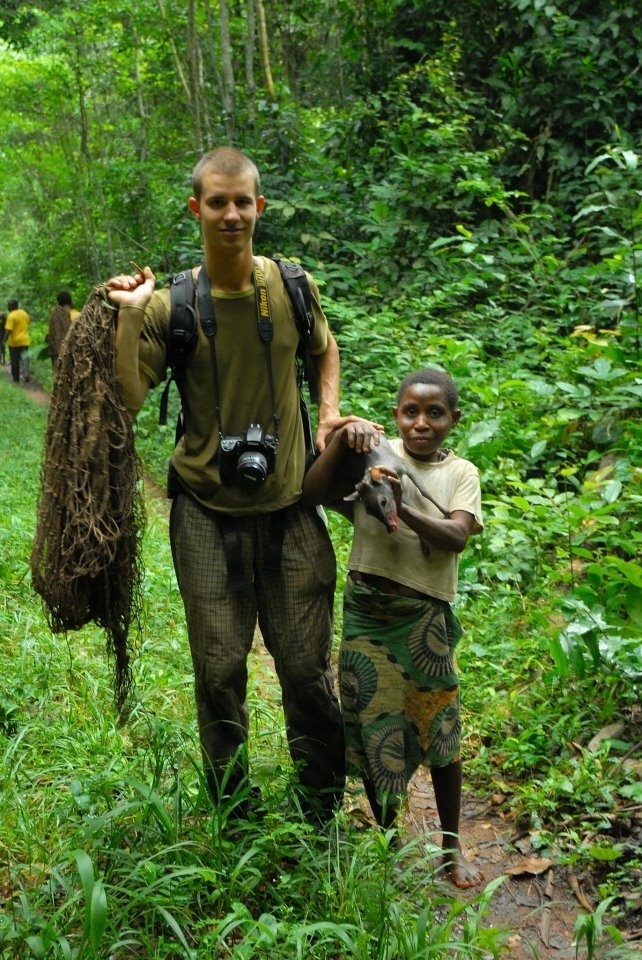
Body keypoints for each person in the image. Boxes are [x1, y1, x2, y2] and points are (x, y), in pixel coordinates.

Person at [106, 146, 367, 825]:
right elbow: (130, 399)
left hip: (290, 509)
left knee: (308, 671)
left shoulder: (290, 286)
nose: (230, 214)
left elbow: (324, 349)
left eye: (241, 202)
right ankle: (233, 811)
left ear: (259, 206)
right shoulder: (175, 304)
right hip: (203, 513)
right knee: (218, 672)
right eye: (216, 203)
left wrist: (329, 411)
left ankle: (320, 810)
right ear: (196, 208)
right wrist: (132, 313)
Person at [301, 367, 485, 887]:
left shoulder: (461, 473)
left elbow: (455, 535)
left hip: (424, 620)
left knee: (441, 733)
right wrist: (341, 442)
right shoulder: (373, 456)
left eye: (434, 413)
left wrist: (402, 503)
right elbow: (312, 492)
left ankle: (451, 847)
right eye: (410, 412)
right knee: (375, 729)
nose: (420, 423)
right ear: (396, 415)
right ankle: (388, 840)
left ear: (453, 419)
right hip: (367, 612)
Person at [47, 291, 80, 367]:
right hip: (71, 354)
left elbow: (49, 335)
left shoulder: (54, 315)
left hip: (57, 355)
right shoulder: (77, 315)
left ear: (58, 302)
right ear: (70, 302)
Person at [5, 299, 30, 383]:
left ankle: (16, 378)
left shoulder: (11, 316)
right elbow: (28, 322)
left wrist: (3, 341)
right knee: (24, 358)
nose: (8, 307)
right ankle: (26, 374)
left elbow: (8, 330)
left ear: (12, 306)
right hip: (25, 340)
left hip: (14, 342)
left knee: (14, 360)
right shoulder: (24, 313)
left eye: (9, 305)